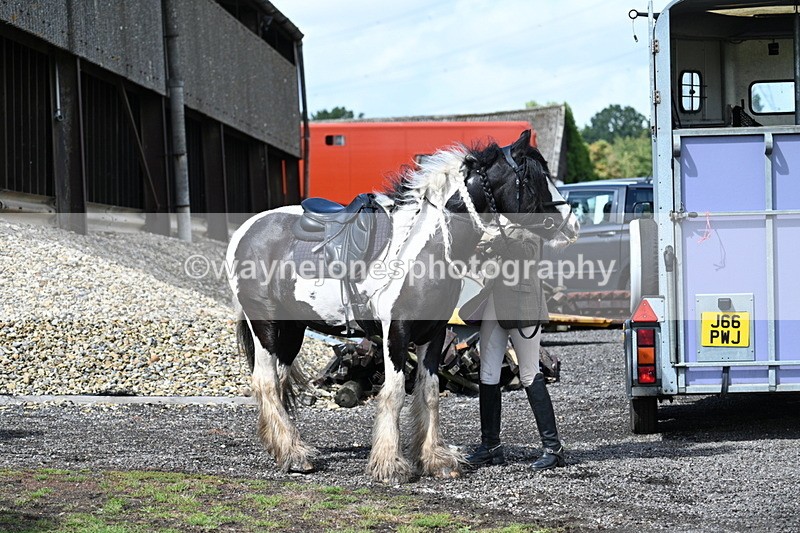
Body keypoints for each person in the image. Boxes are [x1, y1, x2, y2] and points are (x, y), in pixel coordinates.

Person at [460, 226, 565, 470]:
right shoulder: (493, 222)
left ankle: (553, 449)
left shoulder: (530, 222)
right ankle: (491, 446)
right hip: (493, 303)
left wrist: (495, 242)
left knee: (529, 373)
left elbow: (527, 252)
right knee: (487, 374)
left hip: (523, 302)